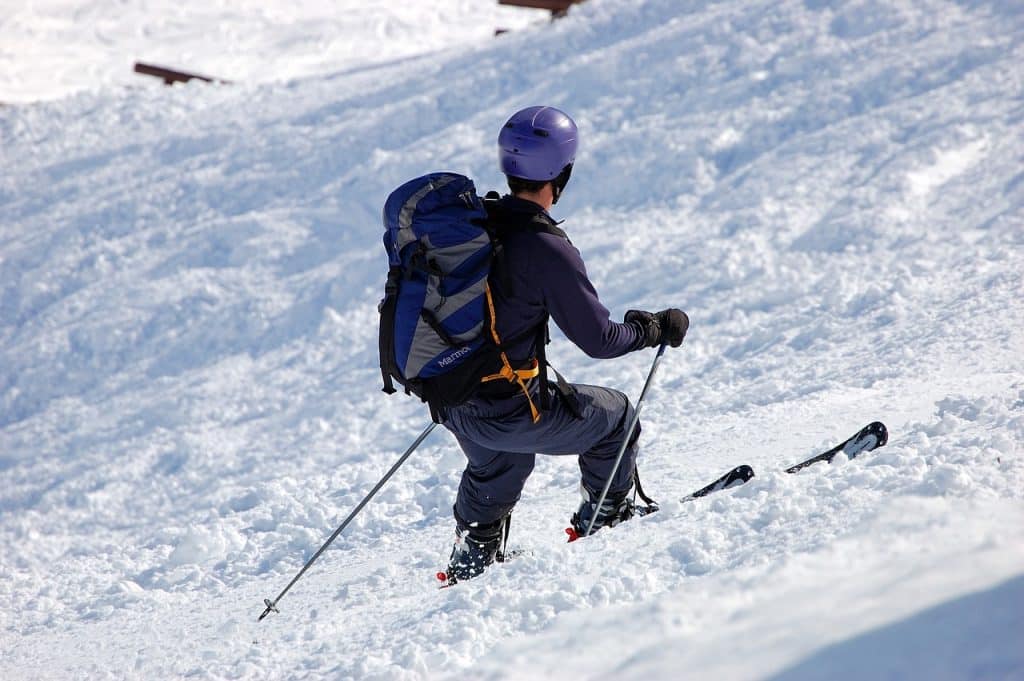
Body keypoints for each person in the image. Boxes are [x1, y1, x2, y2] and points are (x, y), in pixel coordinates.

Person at [440, 105, 689, 582]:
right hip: (502, 406)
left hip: (452, 397)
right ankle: (607, 515)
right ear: (563, 172)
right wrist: (651, 329)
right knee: (615, 416)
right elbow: (599, 340)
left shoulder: (476, 228)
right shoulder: (544, 247)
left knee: (503, 459)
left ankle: (474, 553)